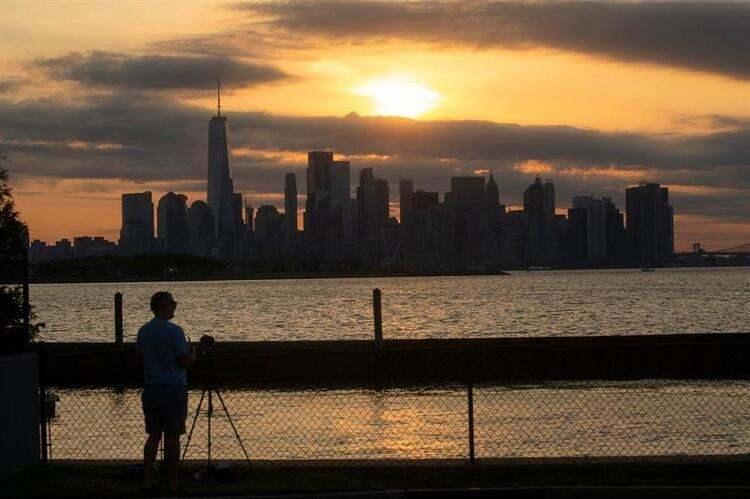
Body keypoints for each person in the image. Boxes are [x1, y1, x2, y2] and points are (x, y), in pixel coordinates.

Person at [136, 291, 196, 492]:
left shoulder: (143, 331)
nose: (175, 307)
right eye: (173, 303)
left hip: (151, 388)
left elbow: (142, 357)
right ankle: (172, 481)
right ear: (163, 306)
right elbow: (183, 361)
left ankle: (147, 478)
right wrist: (193, 354)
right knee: (172, 436)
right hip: (173, 388)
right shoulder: (175, 331)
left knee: (153, 435)